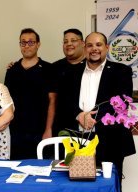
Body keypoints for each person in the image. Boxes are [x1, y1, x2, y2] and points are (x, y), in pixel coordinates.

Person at [62, 32, 136, 190]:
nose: (94, 49)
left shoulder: (121, 71)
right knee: (78, 186)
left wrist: (91, 116)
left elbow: (122, 101)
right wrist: (79, 114)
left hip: (111, 140)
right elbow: (64, 99)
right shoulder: (71, 72)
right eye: (90, 45)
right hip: (78, 140)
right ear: (84, 47)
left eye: (98, 45)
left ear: (107, 47)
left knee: (109, 186)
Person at [4, 28, 57, 160]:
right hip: (15, 132)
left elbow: (52, 101)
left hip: (40, 131)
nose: (27, 45)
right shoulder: (12, 70)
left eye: (31, 42)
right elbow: (6, 102)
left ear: (38, 44)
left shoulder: (49, 69)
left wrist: (48, 129)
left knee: (40, 171)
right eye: (23, 42)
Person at [52, 28, 85, 137]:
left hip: (87, 125)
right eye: (65, 41)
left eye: (73, 40)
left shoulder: (92, 66)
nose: (69, 44)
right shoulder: (55, 67)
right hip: (62, 127)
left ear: (82, 43)